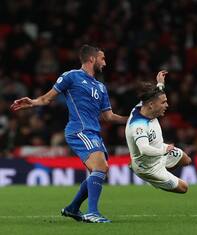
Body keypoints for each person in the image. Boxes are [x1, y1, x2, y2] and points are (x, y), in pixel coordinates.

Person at [10, 44, 128, 223]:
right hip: (78, 130)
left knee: (100, 171)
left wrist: (132, 118)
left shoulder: (101, 87)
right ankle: (92, 213)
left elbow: (109, 117)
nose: (105, 62)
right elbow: (47, 98)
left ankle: (73, 208)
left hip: (94, 132)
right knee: (100, 167)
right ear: (91, 59)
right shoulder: (71, 76)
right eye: (102, 58)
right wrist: (32, 102)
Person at [125, 76, 192, 194]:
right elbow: (144, 149)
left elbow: (153, 95)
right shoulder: (138, 126)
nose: (167, 105)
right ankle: (153, 179)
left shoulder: (144, 105)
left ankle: (163, 172)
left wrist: (160, 84)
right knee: (184, 188)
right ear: (151, 105)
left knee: (186, 160)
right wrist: (164, 151)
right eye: (164, 102)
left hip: (160, 150)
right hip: (148, 167)